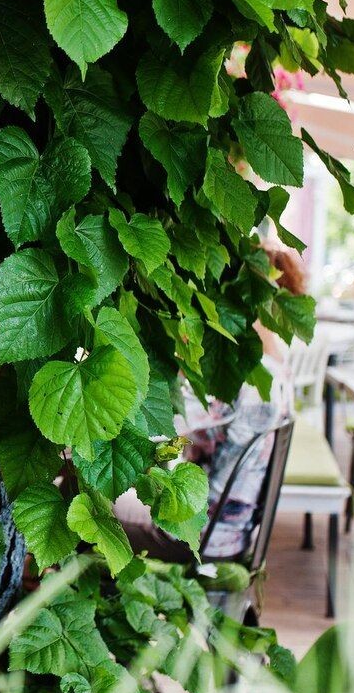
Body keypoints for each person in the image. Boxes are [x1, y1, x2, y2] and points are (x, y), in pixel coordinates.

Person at [113, 238, 305, 563]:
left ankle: (35, 594)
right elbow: (183, 439)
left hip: (203, 534)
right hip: (231, 530)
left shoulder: (243, 375)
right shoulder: (275, 367)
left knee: (86, 500)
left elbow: (161, 429)